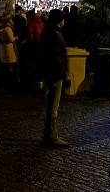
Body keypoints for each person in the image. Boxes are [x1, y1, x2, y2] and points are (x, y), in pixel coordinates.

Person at [40, 8, 70, 147]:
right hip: (55, 74)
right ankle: (51, 135)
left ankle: (49, 134)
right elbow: (56, 56)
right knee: (53, 106)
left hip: (50, 73)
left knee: (52, 105)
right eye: (63, 18)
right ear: (59, 20)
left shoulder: (49, 32)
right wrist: (65, 74)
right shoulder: (54, 34)